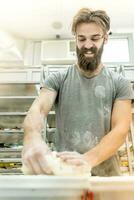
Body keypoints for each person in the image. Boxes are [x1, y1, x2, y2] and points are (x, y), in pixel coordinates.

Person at [22, 8, 133, 176]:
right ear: (75, 39)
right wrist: (32, 137)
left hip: (106, 175)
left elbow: (121, 128)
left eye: (95, 38)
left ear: (106, 38)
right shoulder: (58, 78)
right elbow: (37, 109)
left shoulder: (120, 83)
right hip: (66, 173)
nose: (88, 45)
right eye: (82, 39)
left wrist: (87, 159)